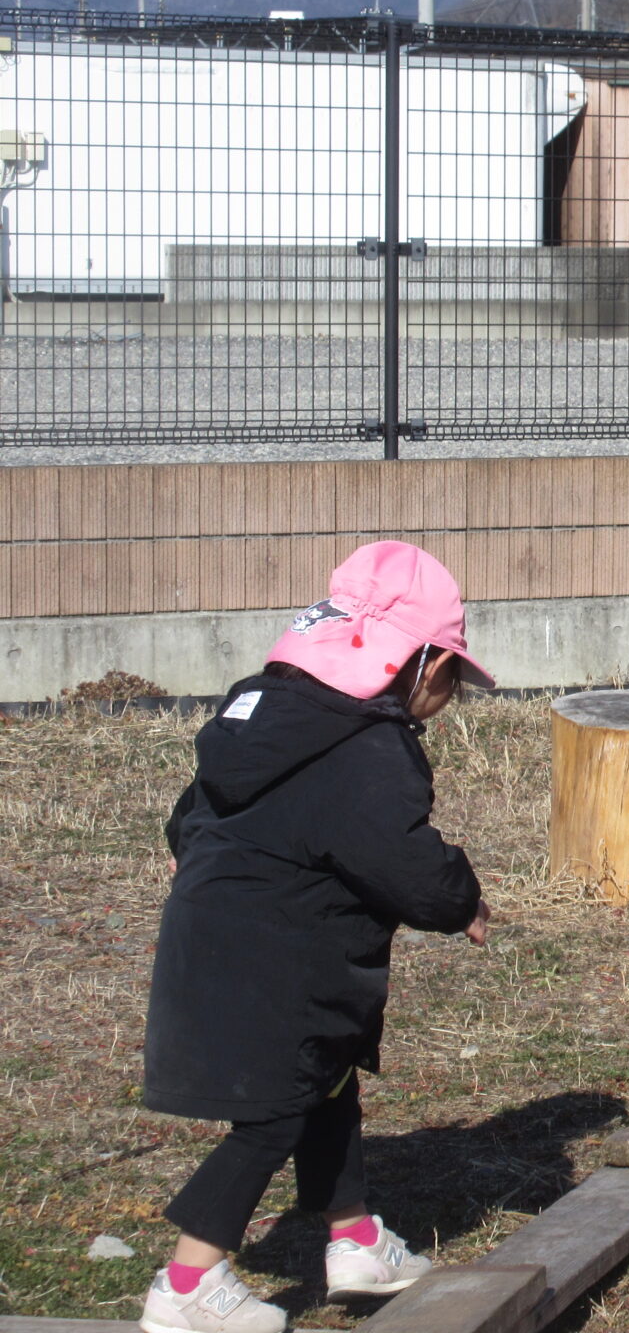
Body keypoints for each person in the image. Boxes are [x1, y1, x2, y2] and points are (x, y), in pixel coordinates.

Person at [140, 541, 495, 1333]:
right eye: (454, 680)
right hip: (287, 955)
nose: (451, 697)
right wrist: (461, 900)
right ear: (428, 664)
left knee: (327, 1079)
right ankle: (188, 1283)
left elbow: (190, 816)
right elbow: (399, 859)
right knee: (277, 1110)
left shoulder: (259, 715)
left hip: (212, 935)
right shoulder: (365, 746)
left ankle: (356, 1238)